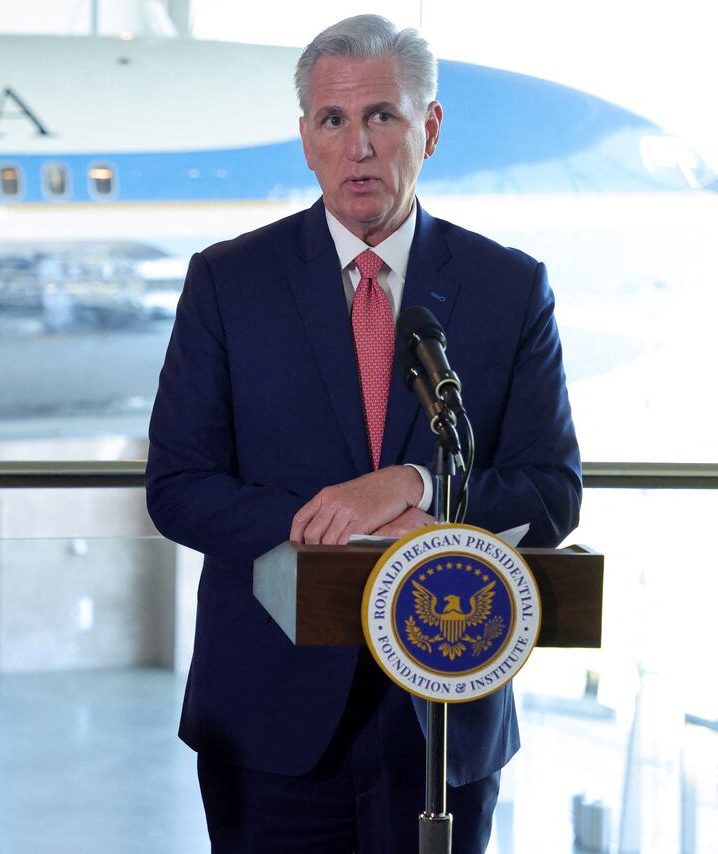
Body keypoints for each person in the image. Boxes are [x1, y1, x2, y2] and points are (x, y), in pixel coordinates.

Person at [145, 14, 580, 852]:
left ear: (431, 127)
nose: (358, 147)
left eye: (383, 116)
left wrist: (413, 487)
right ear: (306, 138)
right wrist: (338, 521)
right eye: (333, 121)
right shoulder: (228, 282)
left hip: (444, 716)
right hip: (272, 717)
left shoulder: (509, 287)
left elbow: (552, 491)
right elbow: (179, 487)